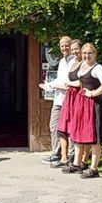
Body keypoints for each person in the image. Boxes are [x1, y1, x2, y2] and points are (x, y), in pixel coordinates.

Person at [61, 42, 102, 178]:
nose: (87, 56)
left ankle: (94, 168)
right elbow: (81, 82)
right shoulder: (83, 65)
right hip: (81, 104)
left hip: (93, 106)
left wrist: (93, 93)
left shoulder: (98, 68)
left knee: (94, 137)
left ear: (95, 54)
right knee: (78, 133)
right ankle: (77, 164)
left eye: (90, 53)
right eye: (84, 53)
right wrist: (69, 83)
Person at [44, 36, 74, 166]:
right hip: (58, 100)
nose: (64, 48)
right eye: (62, 46)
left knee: (70, 129)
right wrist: (49, 85)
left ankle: (71, 155)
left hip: (70, 100)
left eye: (67, 45)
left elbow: (69, 84)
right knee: (54, 126)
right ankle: (56, 153)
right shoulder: (62, 61)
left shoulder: (75, 62)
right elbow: (60, 80)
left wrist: (54, 85)